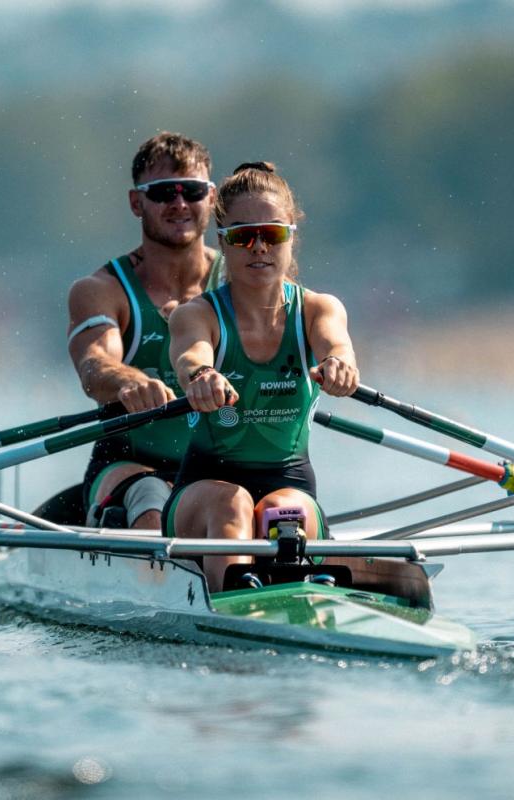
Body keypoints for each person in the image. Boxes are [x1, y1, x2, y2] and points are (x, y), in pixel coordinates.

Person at [165, 162, 359, 592]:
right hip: (203, 487)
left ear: (291, 236)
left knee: (281, 510)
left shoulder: (318, 309)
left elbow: (336, 346)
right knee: (233, 504)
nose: (258, 247)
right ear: (222, 242)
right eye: (242, 235)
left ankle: (279, 595)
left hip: (289, 480)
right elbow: (190, 354)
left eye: (271, 234)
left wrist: (340, 366)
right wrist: (200, 374)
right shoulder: (196, 315)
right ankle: (235, 604)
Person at [64, 132, 224, 530]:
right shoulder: (102, 290)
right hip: (128, 463)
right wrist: (130, 381)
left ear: (212, 198)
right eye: (162, 193)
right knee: (152, 498)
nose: (179, 203)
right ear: (137, 202)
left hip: (221, 465)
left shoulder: (241, 284)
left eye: (191, 190)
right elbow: (94, 364)